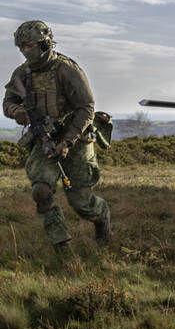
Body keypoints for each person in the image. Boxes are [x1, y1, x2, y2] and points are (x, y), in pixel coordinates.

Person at [3, 20, 111, 254]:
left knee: (81, 202)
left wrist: (68, 141)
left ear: (45, 43)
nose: (24, 51)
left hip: (77, 138)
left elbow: (87, 107)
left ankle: (102, 218)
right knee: (41, 190)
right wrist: (17, 111)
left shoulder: (67, 69)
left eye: (29, 45)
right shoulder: (22, 73)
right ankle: (63, 247)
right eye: (21, 47)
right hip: (43, 139)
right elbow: (8, 102)